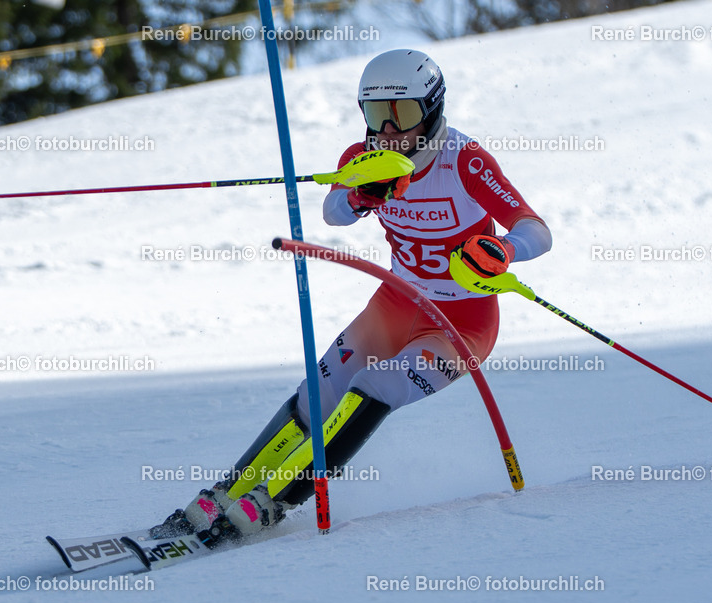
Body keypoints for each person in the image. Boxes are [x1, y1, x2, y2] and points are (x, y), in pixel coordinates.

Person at [151, 49, 552, 546]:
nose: (387, 129)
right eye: (374, 114)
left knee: (374, 386)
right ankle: (228, 492)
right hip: (396, 304)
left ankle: (274, 501)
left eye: (400, 114)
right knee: (318, 392)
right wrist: (361, 194)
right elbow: (333, 211)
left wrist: (504, 248)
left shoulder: (464, 161)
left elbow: (537, 230)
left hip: (461, 325)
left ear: (430, 110)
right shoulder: (365, 160)